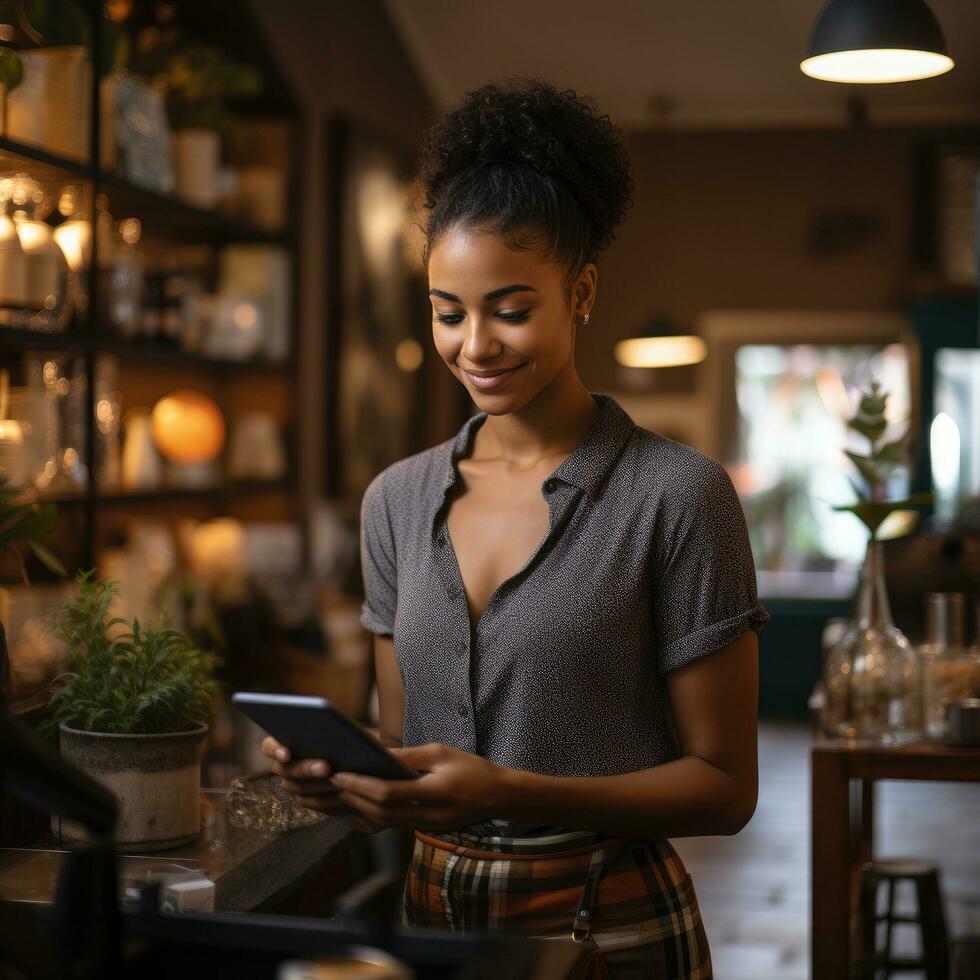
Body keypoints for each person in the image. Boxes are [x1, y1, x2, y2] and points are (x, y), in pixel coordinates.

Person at [264, 79, 770, 979]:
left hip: (608, 926)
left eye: (509, 308)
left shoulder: (676, 495)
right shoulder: (397, 500)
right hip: (430, 926)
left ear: (580, 292)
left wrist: (510, 790)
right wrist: (345, 777)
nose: (474, 346)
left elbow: (726, 789)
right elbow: (407, 754)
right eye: (448, 312)